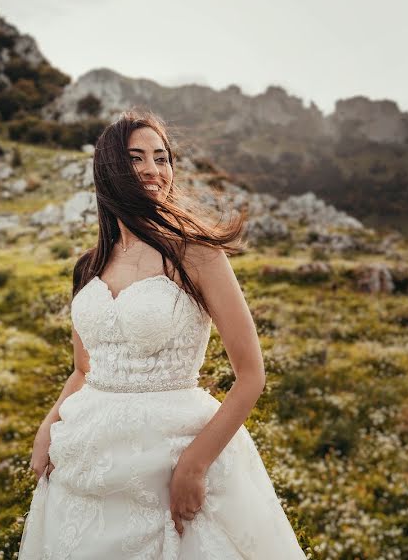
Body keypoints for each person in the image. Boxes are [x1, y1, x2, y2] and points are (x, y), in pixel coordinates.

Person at [17, 109, 306, 558]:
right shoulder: (88, 266)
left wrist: (195, 464)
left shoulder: (197, 255)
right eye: (136, 159)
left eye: (161, 158)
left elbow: (251, 375)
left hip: (173, 449)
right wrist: (48, 425)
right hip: (88, 449)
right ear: (109, 170)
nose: (153, 170)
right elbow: (82, 369)